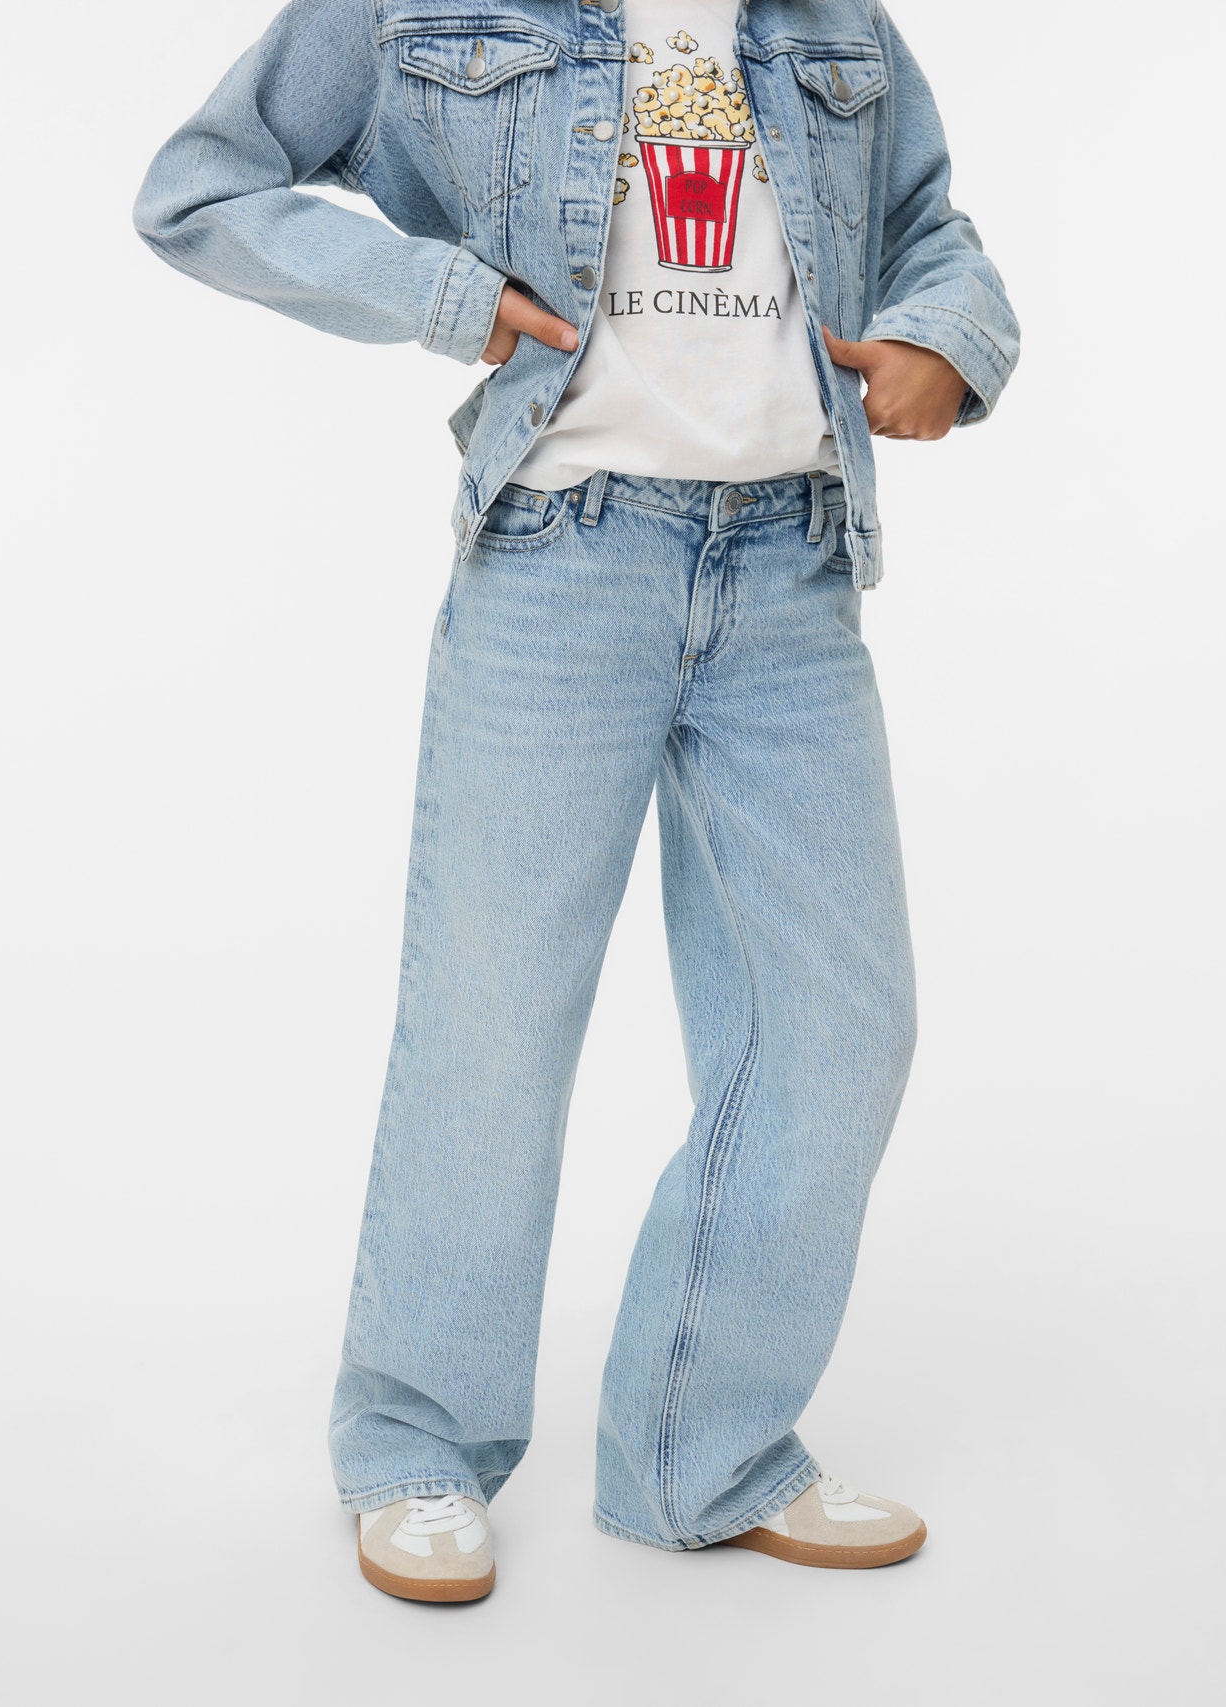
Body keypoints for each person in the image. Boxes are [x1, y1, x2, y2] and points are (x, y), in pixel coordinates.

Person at [136, 0, 1018, 1604]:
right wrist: (440, 296)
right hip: (562, 558)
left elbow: (923, 223)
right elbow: (201, 185)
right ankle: (418, 1442)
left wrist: (950, 340)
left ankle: (701, 1452)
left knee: (840, 1024)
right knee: (493, 1019)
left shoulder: (830, 18)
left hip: (793, 567)